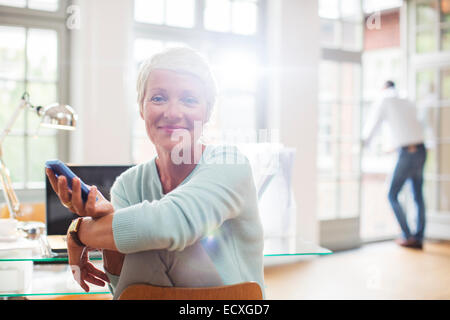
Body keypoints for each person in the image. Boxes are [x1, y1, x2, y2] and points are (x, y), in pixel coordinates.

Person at [46, 47, 265, 299]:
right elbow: (126, 290)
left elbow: (170, 225)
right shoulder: (128, 185)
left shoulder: (229, 163)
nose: (172, 113)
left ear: (207, 113)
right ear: (141, 108)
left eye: (189, 100)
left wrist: (80, 231)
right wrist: (108, 229)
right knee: (143, 241)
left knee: (150, 239)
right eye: (159, 98)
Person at [362, 80, 427, 249]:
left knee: (392, 194)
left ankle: (407, 235)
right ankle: (418, 237)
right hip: (421, 149)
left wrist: (364, 144)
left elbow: (374, 124)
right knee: (418, 196)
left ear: (384, 88)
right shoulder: (406, 98)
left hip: (407, 152)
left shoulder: (384, 99)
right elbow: (415, 125)